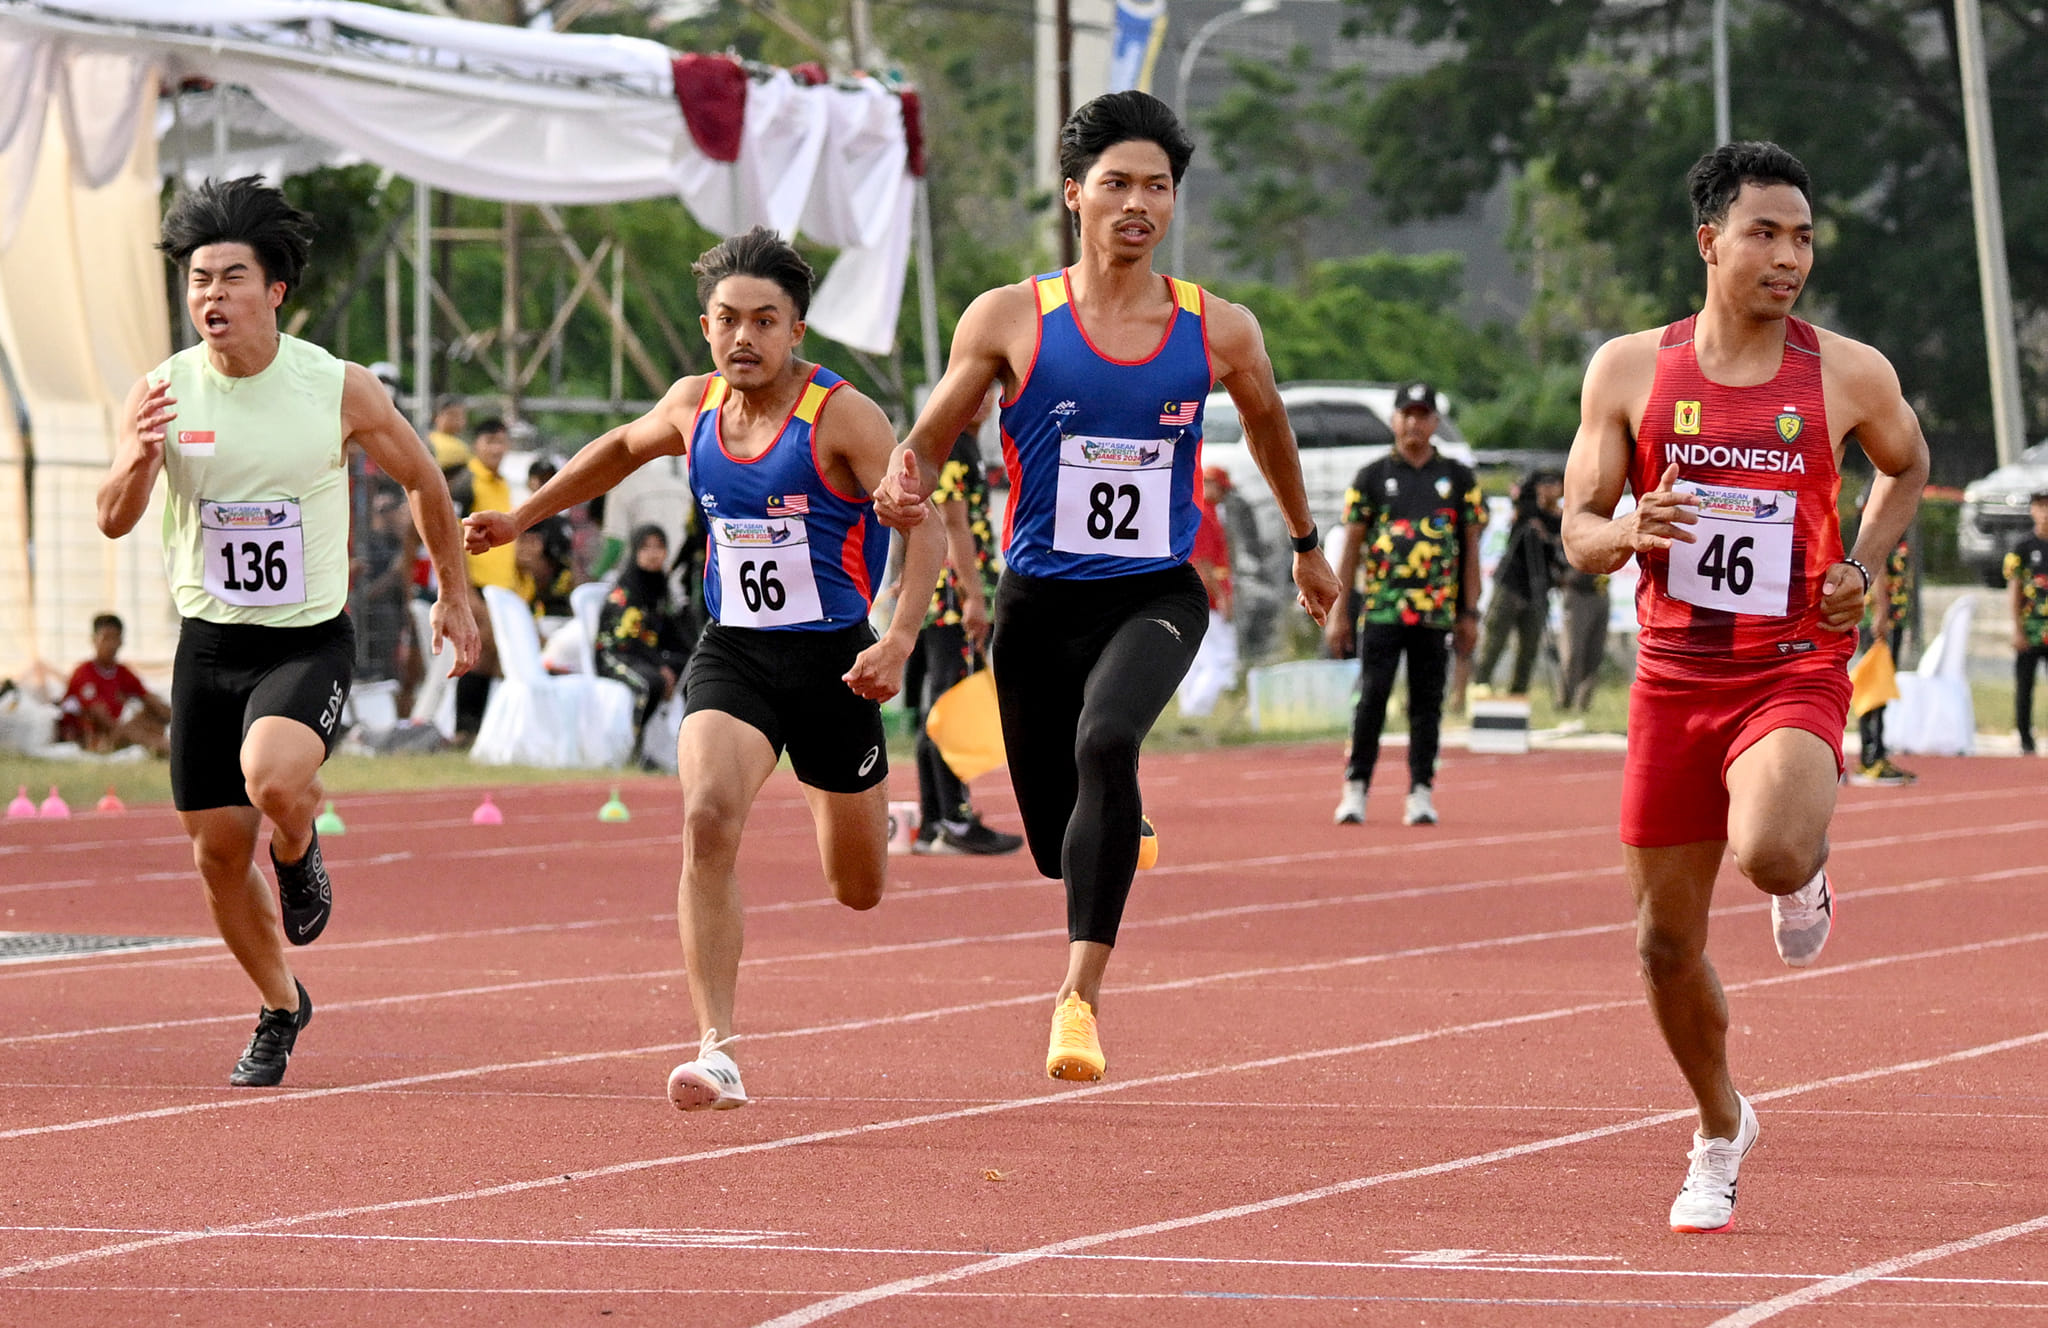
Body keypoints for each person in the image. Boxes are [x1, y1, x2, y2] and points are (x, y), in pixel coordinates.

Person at [870, 91, 1341, 1084]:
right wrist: (903, 470)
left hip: (1154, 594)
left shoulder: (1217, 330)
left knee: (1107, 738)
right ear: (1074, 193)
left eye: (1157, 187)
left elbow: (1267, 429)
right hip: (1036, 605)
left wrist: (1305, 541)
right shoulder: (1009, 317)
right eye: (1117, 183)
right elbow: (937, 424)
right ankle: (1113, 826)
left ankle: (1075, 996)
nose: (1138, 203)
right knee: (1055, 841)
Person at [464, 226, 946, 1111]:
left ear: (797, 330)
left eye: (765, 321)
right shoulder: (694, 406)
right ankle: (716, 1049)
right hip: (736, 654)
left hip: (836, 664)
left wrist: (900, 638)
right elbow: (617, 447)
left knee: (859, 888)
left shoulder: (842, 416)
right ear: (705, 325)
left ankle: (869, 802)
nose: (744, 339)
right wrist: (521, 517)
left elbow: (929, 529)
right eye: (728, 320)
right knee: (706, 817)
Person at [1559, 142, 1928, 1234]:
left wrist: (1860, 566)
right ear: (1708, 240)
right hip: (1672, 681)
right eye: (1764, 234)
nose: (1787, 257)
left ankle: (1802, 860)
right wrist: (1626, 528)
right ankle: (1719, 1126)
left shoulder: (1845, 372)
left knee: (1767, 848)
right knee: (1660, 945)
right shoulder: (1627, 370)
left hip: (1790, 664)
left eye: (1802, 237)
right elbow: (1579, 530)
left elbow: (1904, 464)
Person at [96, 176, 479, 1087]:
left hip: (305, 640)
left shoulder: (334, 386)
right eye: (198, 280)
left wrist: (455, 596)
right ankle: (280, 1005)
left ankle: (302, 849)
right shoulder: (161, 392)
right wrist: (139, 459)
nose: (210, 296)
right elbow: (113, 517)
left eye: (232, 277)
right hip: (209, 644)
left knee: (271, 781)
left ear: (274, 291)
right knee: (216, 854)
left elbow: (427, 484)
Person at [1326, 382, 1483, 829]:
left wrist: (1469, 612)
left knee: (1426, 702)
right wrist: (1341, 610)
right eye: (1406, 414)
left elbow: (1471, 549)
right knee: (1372, 696)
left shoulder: (1458, 478)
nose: (1414, 423)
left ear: (1434, 422)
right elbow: (1351, 546)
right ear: (1395, 421)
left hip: (1435, 611)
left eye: (1422, 415)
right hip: (1381, 608)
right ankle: (1356, 786)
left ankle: (1420, 791)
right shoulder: (1372, 477)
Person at [907, 383, 1025, 856]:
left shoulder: (965, 444)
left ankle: (936, 821)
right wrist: (974, 598)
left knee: (942, 706)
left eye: (988, 391)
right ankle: (953, 819)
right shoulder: (953, 444)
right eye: (971, 390)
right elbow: (952, 524)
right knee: (951, 704)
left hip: (949, 593)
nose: (981, 399)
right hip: (955, 598)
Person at [596, 523, 693, 754]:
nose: (653, 554)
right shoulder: (626, 591)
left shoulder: (661, 588)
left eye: (659, 547)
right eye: (646, 548)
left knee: (693, 669)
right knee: (651, 683)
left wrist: (690, 656)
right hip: (615, 655)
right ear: (635, 551)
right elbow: (627, 640)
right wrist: (661, 667)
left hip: (647, 655)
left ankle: (683, 748)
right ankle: (636, 750)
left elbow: (671, 632)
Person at [449, 417, 516, 740]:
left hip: (501, 585)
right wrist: (464, 591)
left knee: (493, 654)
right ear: (476, 444)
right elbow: (452, 536)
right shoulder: (467, 482)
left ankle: (481, 728)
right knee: (479, 650)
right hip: (476, 582)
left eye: (501, 442)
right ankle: (465, 726)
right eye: (490, 441)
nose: (496, 449)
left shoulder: (503, 484)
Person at [1473, 468, 1563, 697]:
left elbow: (1563, 553)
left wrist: (1549, 539)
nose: (1549, 488)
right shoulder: (1527, 512)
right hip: (1511, 583)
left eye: (1555, 483)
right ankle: (1480, 684)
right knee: (1495, 638)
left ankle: (1518, 692)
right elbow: (1520, 496)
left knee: (1529, 646)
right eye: (1544, 483)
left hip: (1539, 587)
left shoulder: (1562, 519)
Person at [1848, 530, 1916, 785]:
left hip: (1892, 619)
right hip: (1879, 621)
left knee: (1883, 688)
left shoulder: (1899, 529)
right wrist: (1881, 612)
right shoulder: (1881, 524)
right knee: (1874, 686)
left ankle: (1877, 751)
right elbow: (1875, 568)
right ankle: (1869, 757)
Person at [55, 614, 170, 756]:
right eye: (106, 639)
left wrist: (171, 714)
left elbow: (148, 697)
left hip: (118, 731)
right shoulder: (83, 673)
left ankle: (176, 740)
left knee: (153, 713)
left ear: (121, 641)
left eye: (115, 638)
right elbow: (101, 718)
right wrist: (130, 729)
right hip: (93, 738)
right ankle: (171, 750)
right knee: (131, 730)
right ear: (94, 640)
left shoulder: (123, 672)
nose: (111, 645)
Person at [1176, 464, 1239, 718]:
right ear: (1209, 484)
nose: (1224, 493)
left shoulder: (1209, 513)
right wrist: (1221, 598)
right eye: (1221, 488)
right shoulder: (1202, 513)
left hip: (1203, 597)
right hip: (1208, 599)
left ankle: (1190, 712)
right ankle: (1195, 712)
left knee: (1199, 661)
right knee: (1220, 661)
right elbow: (1202, 562)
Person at [2009, 490, 2048, 755]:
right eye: (2040, 507)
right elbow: (2015, 589)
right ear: (2033, 511)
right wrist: (2018, 629)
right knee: (2025, 685)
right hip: (2031, 628)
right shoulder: (2022, 547)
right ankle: (2025, 738)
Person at [1554, 567, 1610, 713]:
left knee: (1595, 654)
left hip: (1600, 590)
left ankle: (1583, 704)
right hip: (1577, 592)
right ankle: (1564, 701)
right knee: (1573, 652)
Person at [426, 395, 471, 476]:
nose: (456, 420)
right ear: (436, 417)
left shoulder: (467, 442)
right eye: (451, 414)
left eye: (461, 415)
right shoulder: (430, 441)